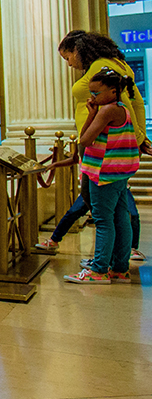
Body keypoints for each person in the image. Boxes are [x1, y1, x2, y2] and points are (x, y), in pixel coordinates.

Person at [36, 31, 150, 264]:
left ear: (78, 49)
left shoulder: (102, 69)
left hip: (101, 150)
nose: (69, 64)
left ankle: (100, 266)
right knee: (115, 210)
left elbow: (129, 102)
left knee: (103, 214)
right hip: (102, 149)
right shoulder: (114, 64)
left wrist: (139, 138)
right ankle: (118, 263)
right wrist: (140, 137)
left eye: (68, 57)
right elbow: (136, 101)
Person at [64, 68, 141, 283]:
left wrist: (91, 114)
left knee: (103, 220)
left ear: (113, 91)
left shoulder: (107, 110)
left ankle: (98, 270)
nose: (92, 97)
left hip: (104, 172)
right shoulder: (121, 109)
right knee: (119, 217)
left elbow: (85, 140)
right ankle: (119, 267)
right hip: (118, 172)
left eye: (96, 93)